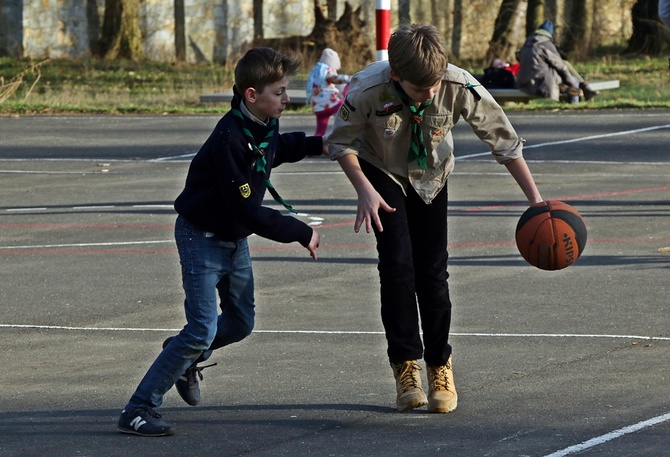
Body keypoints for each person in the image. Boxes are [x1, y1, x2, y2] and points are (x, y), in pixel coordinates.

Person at [326, 24, 543, 414]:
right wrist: (362, 188)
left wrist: (536, 201)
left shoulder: (458, 84)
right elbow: (338, 141)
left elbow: (503, 140)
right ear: (396, 76)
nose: (430, 93)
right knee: (396, 267)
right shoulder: (366, 90)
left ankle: (439, 365)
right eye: (419, 89)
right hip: (382, 171)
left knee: (433, 274)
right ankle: (405, 367)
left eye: (435, 85)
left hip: (431, 177)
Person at [117, 47, 324, 437]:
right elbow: (248, 210)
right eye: (279, 92)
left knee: (241, 323)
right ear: (251, 94)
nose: (286, 98)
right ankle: (138, 408)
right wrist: (299, 231)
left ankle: (183, 357)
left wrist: (320, 145)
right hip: (201, 239)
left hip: (232, 240)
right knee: (199, 330)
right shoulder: (229, 138)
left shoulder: (263, 122)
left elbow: (273, 151)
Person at [517, 20, 598, 103]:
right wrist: (571, 83)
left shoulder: (526, 44)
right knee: (574, 82)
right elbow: (560, 66)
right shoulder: (546, 44)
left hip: (524, 83)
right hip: (541, 83)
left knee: (565, 67)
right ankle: (574, 106)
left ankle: (583, 87)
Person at [306, 48, 351, 136]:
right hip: (329, 104)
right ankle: (343, 135)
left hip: (318, 107)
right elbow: (334, 78)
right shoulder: (325, 70)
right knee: (346, 106)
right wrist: (349, 78)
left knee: (320, 130)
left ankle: (316, 147)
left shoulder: (316, 71)